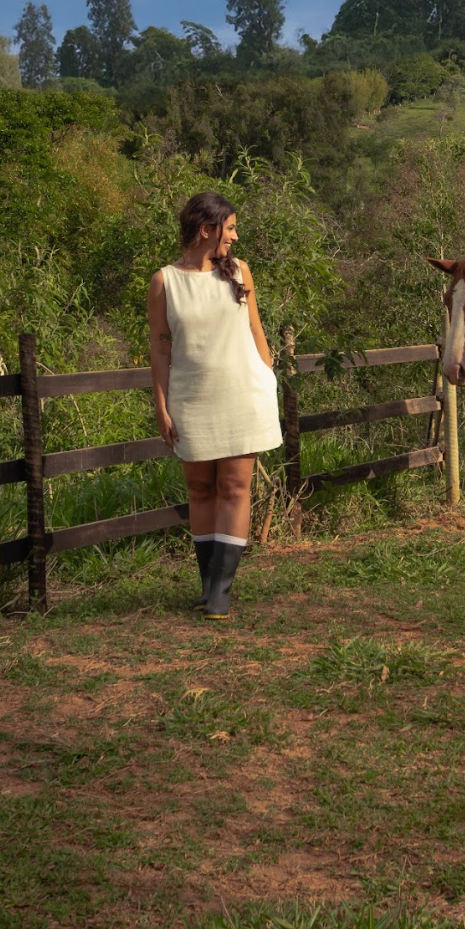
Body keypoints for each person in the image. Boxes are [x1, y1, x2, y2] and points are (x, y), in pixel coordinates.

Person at [147, 191, 282, 621]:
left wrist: (268, 376)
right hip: (191, 399)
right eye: (230, 228)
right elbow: (160, 350)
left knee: (234, 488)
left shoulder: (239, 273)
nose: (236, 238)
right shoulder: (164, 281)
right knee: (201, 490)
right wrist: (162, 407)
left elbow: (257, 331)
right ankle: (207, 587)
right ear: (206, 230)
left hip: (244, 394)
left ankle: (220, 593)